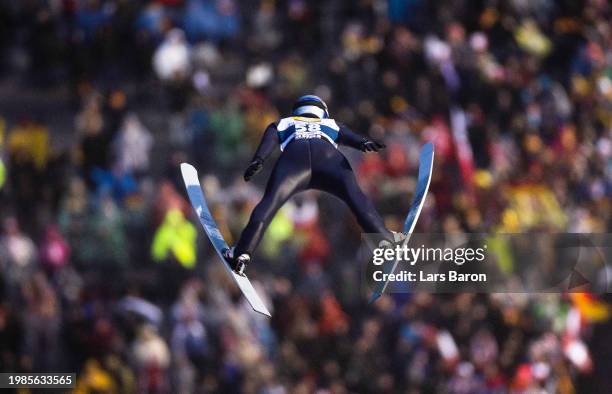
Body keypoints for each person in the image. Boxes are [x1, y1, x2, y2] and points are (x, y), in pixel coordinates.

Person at [223, 95, 390, 275]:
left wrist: (258, 160)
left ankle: (241, 253)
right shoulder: (331, 124)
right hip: (328, 159)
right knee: (356, 198)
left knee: (269, 203)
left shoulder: (284, 122)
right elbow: (351, 138)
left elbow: (269, 142)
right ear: (323, 112)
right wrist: (364, 143)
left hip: (294, 161)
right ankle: (385, 240)